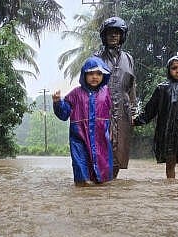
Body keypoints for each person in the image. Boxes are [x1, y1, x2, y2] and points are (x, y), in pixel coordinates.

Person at [133, 55, 178, 184]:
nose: (177, 70)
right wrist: (135, 121)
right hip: (167, 131)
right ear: (169, 70)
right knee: (170, 161)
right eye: (174, 68)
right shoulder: (162, 88)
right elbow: (150, 110)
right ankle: (171, 190)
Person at [53, 56, 113, 186]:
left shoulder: (106, 92)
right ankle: (82, 186)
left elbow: (114, 113)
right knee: (81, 168)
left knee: (102, 173)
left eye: (98, 73)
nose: (95, 77)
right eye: (91, 73)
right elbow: (64, 114)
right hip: (79, 137)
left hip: (100, 136)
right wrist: (57, 103)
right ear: (84, 75)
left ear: (104, 76)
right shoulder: (75, 93)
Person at [95, 16, 138, 179]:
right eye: (110, 33)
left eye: (117, 33)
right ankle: (101, 182)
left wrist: (133, 112)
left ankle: (112, 182)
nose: (113, 36)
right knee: (101, 149)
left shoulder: (129, 59)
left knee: (119, 153)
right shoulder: (97, 57)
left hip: (123, 111)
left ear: (122, 36)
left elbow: (132, 86)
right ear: (104, 36)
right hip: (102, 110)